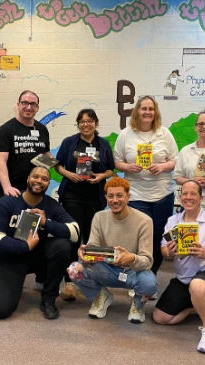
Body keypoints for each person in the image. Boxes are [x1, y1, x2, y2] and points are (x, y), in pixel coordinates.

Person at [152, 181, 205, 354]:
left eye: (193, 194)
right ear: (180, 197)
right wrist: (170, 251)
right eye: (184, 193)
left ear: (201, 198)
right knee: (161, 317)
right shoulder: (173, 222)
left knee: (198, 284)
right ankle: (200, 307)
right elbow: (163, 249)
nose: (188, 197)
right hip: (184, 279)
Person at [0, 167, 78, 320]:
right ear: (28, 178)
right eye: (35, 177)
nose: (39, 181)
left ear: (48, 184)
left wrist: (46, 223)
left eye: (44, 179)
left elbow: (75, 232)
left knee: (62, 246)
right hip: (10, 258)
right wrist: (24, 246)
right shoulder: (9, 201)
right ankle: (8, 284)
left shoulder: (51, 205)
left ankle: (48, 299)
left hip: (37, 257)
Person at [75, 177, 158, 324]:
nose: (115, 200)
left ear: (128, 196)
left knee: (150, 284)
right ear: (106, 197)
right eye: (111, 196)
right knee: (74, 270)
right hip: (107, 269)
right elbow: (92, 246)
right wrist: (85, 253)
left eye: (119, 195)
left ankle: (138, 305)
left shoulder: (145, 221)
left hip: (133, 272)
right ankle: (101, 296)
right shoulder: (99, 217)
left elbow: (147, 261)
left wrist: (131, 258)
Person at [54, 109, 116, 301]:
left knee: (91, 239)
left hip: (95, 196)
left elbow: (110, 169)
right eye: (81, 121)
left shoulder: (103, 144)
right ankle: (70, 282)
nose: (85, 124)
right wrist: (68, 174)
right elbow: (58, 165)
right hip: (72, 195)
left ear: (96, 123)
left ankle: (91, 278)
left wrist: (101, 177)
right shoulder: (69, 142)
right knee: (74, 236)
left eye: (89, 121)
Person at [113, 96, 177, 275]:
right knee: (138, 237)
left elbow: (174, 160)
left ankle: (151, 275)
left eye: (151, 109)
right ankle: (136, 276)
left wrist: (162, 166)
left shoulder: (164, 133)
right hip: (135, 194)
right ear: (137, 112)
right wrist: (128, 167)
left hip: (162, 194)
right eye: (144, 109)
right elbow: (117, 161)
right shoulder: (126, 134)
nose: (148, 112)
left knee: (158, 237)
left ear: (155, 112)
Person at [0, 90, 51, 197]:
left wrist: (62, 170)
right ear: (18, 105)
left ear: (37, 108)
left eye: (33, 104)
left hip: (36, 190)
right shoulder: (5, 130)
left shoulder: (42, 129)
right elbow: (0, 161)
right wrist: (7, 187)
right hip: (13, 190)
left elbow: (46, 155)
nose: (29, 107)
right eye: (25, 103)